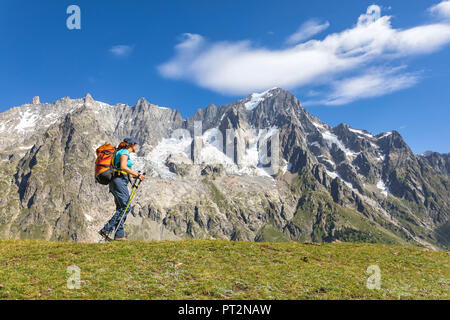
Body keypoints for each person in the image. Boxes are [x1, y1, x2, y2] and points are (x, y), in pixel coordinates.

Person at [99, 137, 145, 241]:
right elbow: (124, 167)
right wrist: (137, 174)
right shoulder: (124, 152)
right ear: (131, 144)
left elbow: (123, 169)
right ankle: (107, 229)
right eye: (136, 144)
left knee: (121, 207)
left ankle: (119, 235)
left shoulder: (121, 152)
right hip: (119, 181)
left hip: (118, 180)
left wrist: (136, 176)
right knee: (126, 207)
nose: (137, 146)